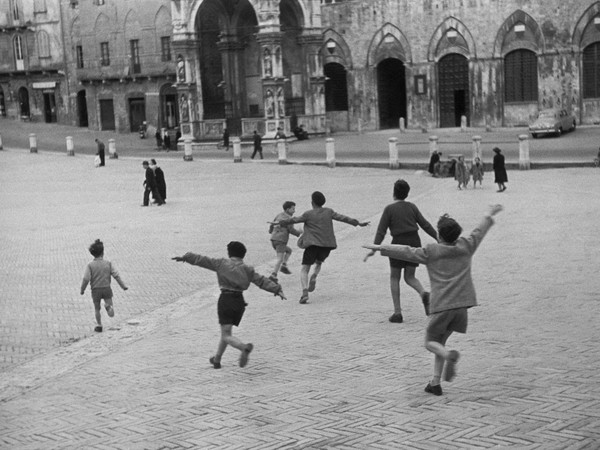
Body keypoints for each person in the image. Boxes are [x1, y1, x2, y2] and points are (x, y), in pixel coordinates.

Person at [363, 204, 504, 396]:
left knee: (430, 342)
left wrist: (381, 247)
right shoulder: (466, 246)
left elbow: (406, 251)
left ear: (439, 236)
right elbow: (479, 232)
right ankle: (435, 383)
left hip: (441, 307)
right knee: (440, 342)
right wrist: (488, 214)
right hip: (462, 308)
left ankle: (449, 356)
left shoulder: (431, 251)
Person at [172, 241, 286, 369]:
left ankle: (243, 347)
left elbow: (202, 260)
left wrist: (186, 257)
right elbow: (261, 280)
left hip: (226, 299)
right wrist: (276, 289)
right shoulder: (248, 269)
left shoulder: (221, 263)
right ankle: (217, 359)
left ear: (229, 253)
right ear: (243, 255)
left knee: (226, 335)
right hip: (239, 302)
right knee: (226, 333)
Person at [364, 179, 438, 323]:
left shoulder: (389, 209)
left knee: (394, 277)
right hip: (414, 242)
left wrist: (374, 248)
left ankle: (397, 313)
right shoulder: (412, 207)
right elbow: (425, 225)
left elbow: (381, 231)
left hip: (397, 243)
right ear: (407, 193)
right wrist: (438, 237)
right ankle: (423, 293)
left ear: (394, 193)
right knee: (410, 277)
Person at [277, 191, 370, 304]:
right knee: (319, 263)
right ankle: (315, 276)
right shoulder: (329, 211)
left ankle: (305, 292)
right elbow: (343, 218)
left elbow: (294, 219)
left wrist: (281, 222)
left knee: (305, 269)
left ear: (312, 202)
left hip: (312, 245)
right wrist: (358, 223)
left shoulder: (308, 214)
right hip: (327, 245)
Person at [80, 239, 128, 332]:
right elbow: (116, 275)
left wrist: (82, 290)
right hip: (106, 289)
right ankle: (108, 306)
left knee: (97, 308)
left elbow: (86, 279)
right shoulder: (108, 263)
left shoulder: (90, 265)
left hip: (95, 290)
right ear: (103, 252)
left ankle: (99, 325)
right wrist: (123, 286)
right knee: (111, 313)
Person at [268, 201, 301, 283]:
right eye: (293, 209)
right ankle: (273, 275)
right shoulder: (289, 219)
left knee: (289, 250)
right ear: (287, 209)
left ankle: (284, 265)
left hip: (273, 239)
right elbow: (291, 230)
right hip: (281, 240)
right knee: (279, 258)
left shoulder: (279, 215)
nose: (294, 211)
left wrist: (270, 231)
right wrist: (299, 232)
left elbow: (272, 224)